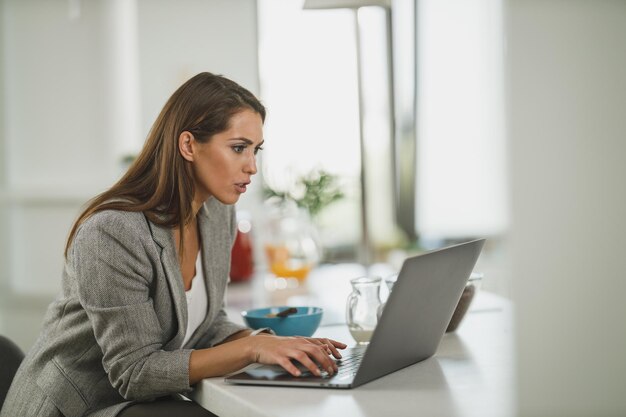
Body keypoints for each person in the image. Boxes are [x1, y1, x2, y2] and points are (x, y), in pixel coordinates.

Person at [0, 72, 346, 417]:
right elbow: (134, 372)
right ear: (188, 145)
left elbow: (208, 325)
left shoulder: (216, 214)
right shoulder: (111, 232)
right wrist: (252, 348)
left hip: (140, 404)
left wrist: (280, 346)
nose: (252, 166)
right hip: (77, 407)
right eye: (238, 148)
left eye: (256, 150)